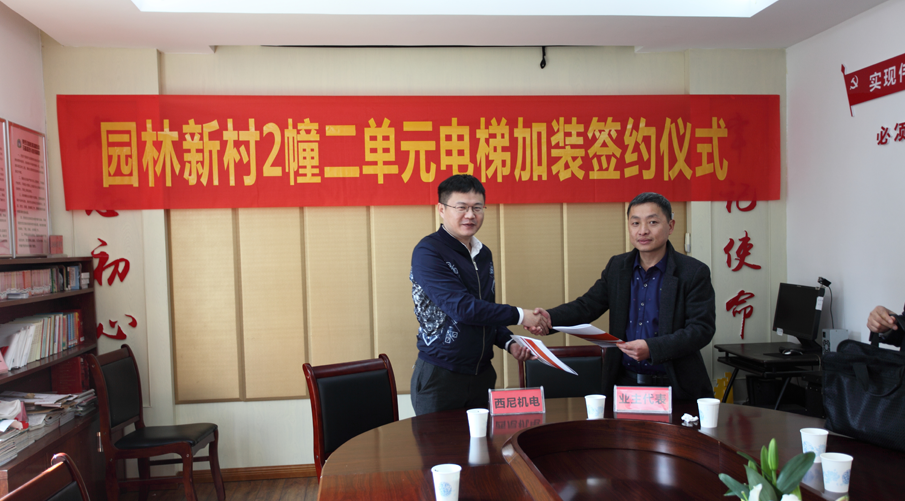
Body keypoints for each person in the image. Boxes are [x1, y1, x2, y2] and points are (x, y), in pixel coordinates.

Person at [530, 192, 716, 401]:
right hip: (625, 385)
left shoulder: (693, 272)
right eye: (635, 223)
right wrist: (548, 318)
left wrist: (652, 348)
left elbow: (701, 329)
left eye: (652, 222)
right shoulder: (618, 267)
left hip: (676, 386)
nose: (643, 231)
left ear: (670, 226)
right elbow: (587, 306)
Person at [410, 174, 550, 415]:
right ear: (441, 209)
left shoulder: (483, 253)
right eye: (461, 207)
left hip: (482, 374)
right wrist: (521, 315)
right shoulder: (429, 251)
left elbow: (484, 310)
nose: (470, 215)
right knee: (440, 442)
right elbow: (462, 308)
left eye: (477, 208)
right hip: (441, 376)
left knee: (484, 440)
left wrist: (509, 342)